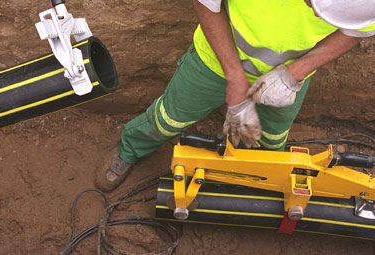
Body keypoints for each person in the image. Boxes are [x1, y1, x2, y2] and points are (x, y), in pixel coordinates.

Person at [95, 0, 375, 192]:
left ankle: (259, 178)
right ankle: (130, 150)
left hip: (288, 79)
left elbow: (355, 31)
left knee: (273, 138)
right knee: (169, 119)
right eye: (316, 6)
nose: (316, 17)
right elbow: (207, 5)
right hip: (215, 61)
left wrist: (296, 72)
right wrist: (234, 76)